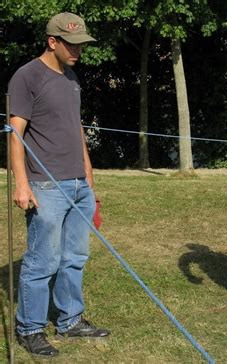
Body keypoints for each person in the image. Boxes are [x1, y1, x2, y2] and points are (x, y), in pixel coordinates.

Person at [8, 12, 110, 358]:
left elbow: (75, 128)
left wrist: (89, 176)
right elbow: (15, 135)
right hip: (46, 186)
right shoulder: (28, 76)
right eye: (72, 44)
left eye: (82, 44)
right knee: (42, 261)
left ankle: (70, 320)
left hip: (78, 185)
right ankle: (30, 328)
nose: (78, 51)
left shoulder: (71, 78)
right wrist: (21, 184)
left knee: (74, 257)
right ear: (52, 41)